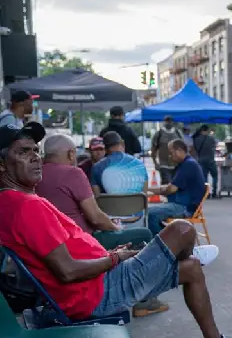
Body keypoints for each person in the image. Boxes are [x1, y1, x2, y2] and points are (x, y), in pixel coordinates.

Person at [0, 122, 232, 338]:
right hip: (97, 293)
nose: (35, 157)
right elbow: (67, 271)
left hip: (97, 282)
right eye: (23, 152)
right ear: (2, 164)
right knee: (182, 229)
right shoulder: (26, 206)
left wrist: (111, 256)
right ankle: (181, 256)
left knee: (192, 269)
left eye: (36, 150)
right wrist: (115, 259)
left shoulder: (13, 201)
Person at [35, 134, 167, 318]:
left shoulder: (35, 175)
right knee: (143, 233)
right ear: (71, 154)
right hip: (81, 241)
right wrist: (116, 228)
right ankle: (145, 302)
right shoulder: (73, 173)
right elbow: (96, 217)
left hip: (53, 245)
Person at [146, 139, 206, 236]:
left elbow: (171, 189)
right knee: (151, 212)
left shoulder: (188, 165)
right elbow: (171, 186)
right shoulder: (186, 164)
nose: (170, 156)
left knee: (150, 214)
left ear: (179, 150)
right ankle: (168, 237)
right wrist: (148, 189)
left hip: (185, 207)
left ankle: (162, 241)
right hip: (182, 204)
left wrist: (152, 191)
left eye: (171, 152)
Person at [90, 131, 148, 196]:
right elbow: (144, 195)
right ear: (122, 143)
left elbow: (97, 198)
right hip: (136, 203)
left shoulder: (96, 168)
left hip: (109, 203)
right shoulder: (140, 165)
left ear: (105, 149)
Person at [151, 116, 183, 185]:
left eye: (170, 121)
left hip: (176, 165)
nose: (169, 123)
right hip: (164, 164)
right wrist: (155, 163)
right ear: (164, 122)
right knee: (166, 184)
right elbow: (154, 149)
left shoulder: (177, 133)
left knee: (175, 184)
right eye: (167, 121)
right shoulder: (159, 133)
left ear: (173, 122)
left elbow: (182, 148)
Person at [192, 125, 219, 199]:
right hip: (210, 160)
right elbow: (214, 147)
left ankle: (206, 193)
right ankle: (214, 192)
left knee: (204, 177)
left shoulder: (196, 139)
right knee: (215, 176)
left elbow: (195, 150)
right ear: (206, 130)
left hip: (201, 160)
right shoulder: (211, 138)